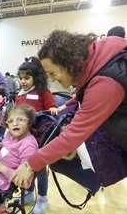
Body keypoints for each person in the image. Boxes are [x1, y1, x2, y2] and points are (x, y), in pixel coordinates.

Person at [10, 30, 127, 194]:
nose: (51, 79)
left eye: (52, 73)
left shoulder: (106, 83)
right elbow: (87, 84)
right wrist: (72, 102)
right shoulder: (101, 55)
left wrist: (30, 164)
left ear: (68, 63)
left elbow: (72, 137)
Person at [14, 56, 58, 214]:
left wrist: (53, 108)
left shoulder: (43, 91)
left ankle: (43, 198)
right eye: (20, 78)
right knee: (26, 165)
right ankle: (29, 193)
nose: (23, 81)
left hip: (40, 137)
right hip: (24, 138)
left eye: (26, 78)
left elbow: (53, 106)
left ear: (35, 77)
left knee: (39, 167)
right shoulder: (18, 95)